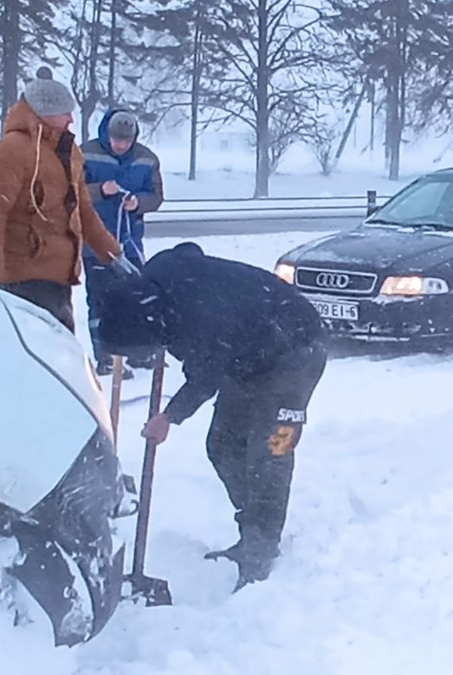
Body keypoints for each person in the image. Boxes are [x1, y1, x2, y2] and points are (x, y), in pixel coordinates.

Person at [95, 243, 328, 588]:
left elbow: (207, 378)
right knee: (223, 445)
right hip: (245, 353)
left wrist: (169, 417)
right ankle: (251, 529)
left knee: (271, 453)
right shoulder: (154, 280)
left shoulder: (204, 319)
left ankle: (260, 551)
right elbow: (189, 250)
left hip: (296, 352)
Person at [0, 67, 131, 330]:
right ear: (44, 113)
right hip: (20, 280)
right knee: (32, 359)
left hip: (59, 279)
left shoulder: (68, 152)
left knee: (60, 357)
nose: (71, 119)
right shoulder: (9, 152)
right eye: (65, 112)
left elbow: (84, 212)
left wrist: (113, 255)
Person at [80, 107, 164, 372]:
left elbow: (156, 196)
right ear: (107, 133)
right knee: (100, 299)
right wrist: (100, 191)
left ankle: (138, 353)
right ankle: (105, 358)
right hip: (95, 242)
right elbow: (72, 191)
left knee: (135, 298)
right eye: (117, 140)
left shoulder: (147, 159)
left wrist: (138, 202)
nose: (121, 145)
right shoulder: (86, 153)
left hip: (129, 244)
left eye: (126, 141)